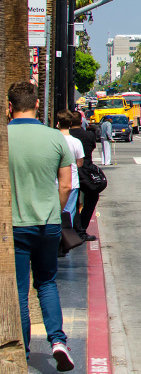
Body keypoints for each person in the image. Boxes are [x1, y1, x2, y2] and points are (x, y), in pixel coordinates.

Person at [8, 81, 75, 370]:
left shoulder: (4, 136)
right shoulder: (55, 138)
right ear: (37, 105)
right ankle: (58, 341)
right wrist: (54, 211)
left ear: (10, 107)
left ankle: (22, 351)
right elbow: (66, 185)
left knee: (20, 291)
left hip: (15, 225)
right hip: (48, 223)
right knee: (46, 283)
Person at [55, 110, 83, 253]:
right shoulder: (76, 142)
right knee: (69, 214)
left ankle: (57, 241)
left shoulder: (54, 140)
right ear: (71, 124)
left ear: (57, 123)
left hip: (55, 182)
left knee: (56, 213)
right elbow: (80, 162)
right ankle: (65, 242)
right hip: (72, 181)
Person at [70, 112, 99, 241]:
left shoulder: (67, 136)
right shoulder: (88, 135)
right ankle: (81, 227)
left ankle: (75, 228)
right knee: (92, 198)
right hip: (86, 171)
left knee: (73, 201)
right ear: (81, 122)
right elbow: (92, 147)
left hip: (70, 170)